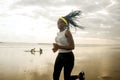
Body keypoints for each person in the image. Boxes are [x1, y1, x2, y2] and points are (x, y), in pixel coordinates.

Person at [52, 10, 85, 80]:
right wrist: (56, 48)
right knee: (55, 76)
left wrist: (59, 46)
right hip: (60, 56)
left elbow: (72, 47)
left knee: (67, 78)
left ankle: (80, 76)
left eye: (60, 22)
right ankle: (80, 76)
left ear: (65, 24)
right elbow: (61, 44)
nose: (58, 24)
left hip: (68, 57)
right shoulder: (58, 34)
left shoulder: (67, 32)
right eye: (57, 22)